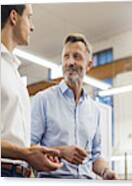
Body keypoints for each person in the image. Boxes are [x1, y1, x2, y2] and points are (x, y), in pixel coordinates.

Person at [31, 33, 118, 179]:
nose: (70, 62)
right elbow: (28, 149)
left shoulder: (94, 110)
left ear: (89, 64)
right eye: (66, 56)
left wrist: (106, 172)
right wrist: (61, 152)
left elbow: (95, 157)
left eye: (77, 56)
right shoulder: (43, 100)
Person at [1, 4, 63, 178]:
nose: (32, 26)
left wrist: (31, 152)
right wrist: (25, 153)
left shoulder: (13, 70)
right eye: (29, 17)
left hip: (20, 173)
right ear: (14, 17)